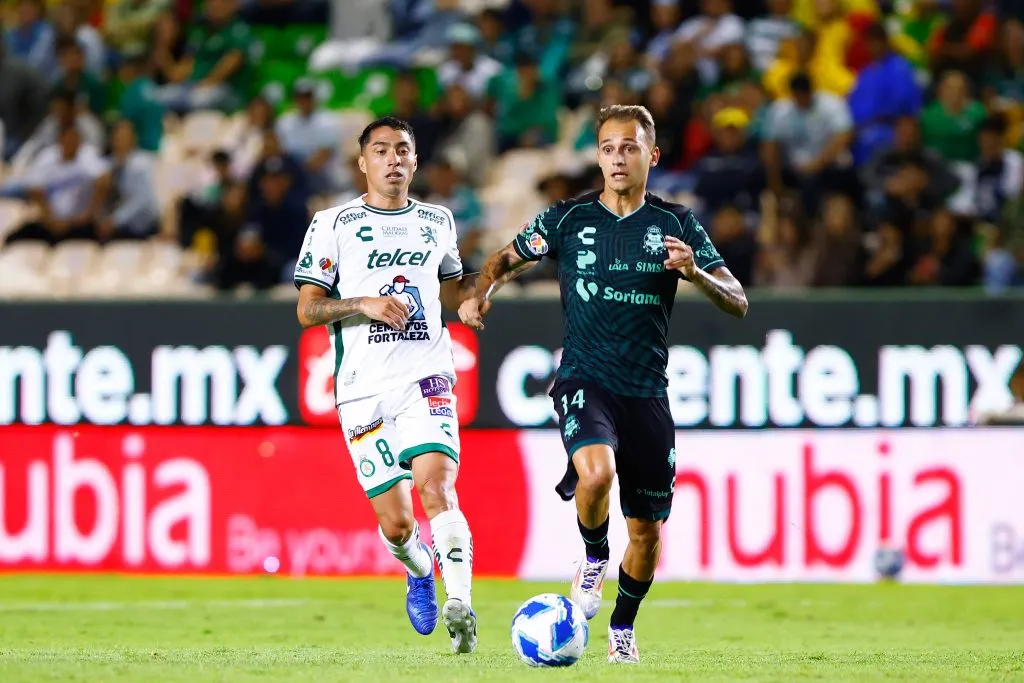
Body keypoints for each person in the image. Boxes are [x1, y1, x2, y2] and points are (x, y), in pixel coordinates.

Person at [459, 105, 748, 664]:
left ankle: (622, 630)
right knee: (596, 471)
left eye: (631, 147)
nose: (619, 157)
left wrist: (695, 274)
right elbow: (503, 259)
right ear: (598, 156)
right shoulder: (567, 220)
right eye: (609, 148)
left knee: (645, 535)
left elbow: (737, 301)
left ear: (652, 156)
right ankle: (593, 556)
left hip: (648, 395)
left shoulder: (678, 223)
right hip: (586, 378)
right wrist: (480, 293)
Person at [293, 117, 477, 655]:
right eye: (382, 150)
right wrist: (362, 303)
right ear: (363, 163)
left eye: (403, 150)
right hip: (361, 388)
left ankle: (461, 605)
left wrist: (468, 301)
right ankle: (418, 568)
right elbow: (307, 310)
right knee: (397, 525)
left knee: (438, 488)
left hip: (427, 374)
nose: (393, 159)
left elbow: (448, 289)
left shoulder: (438, 221)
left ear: (415, 162)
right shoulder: (333, 224)